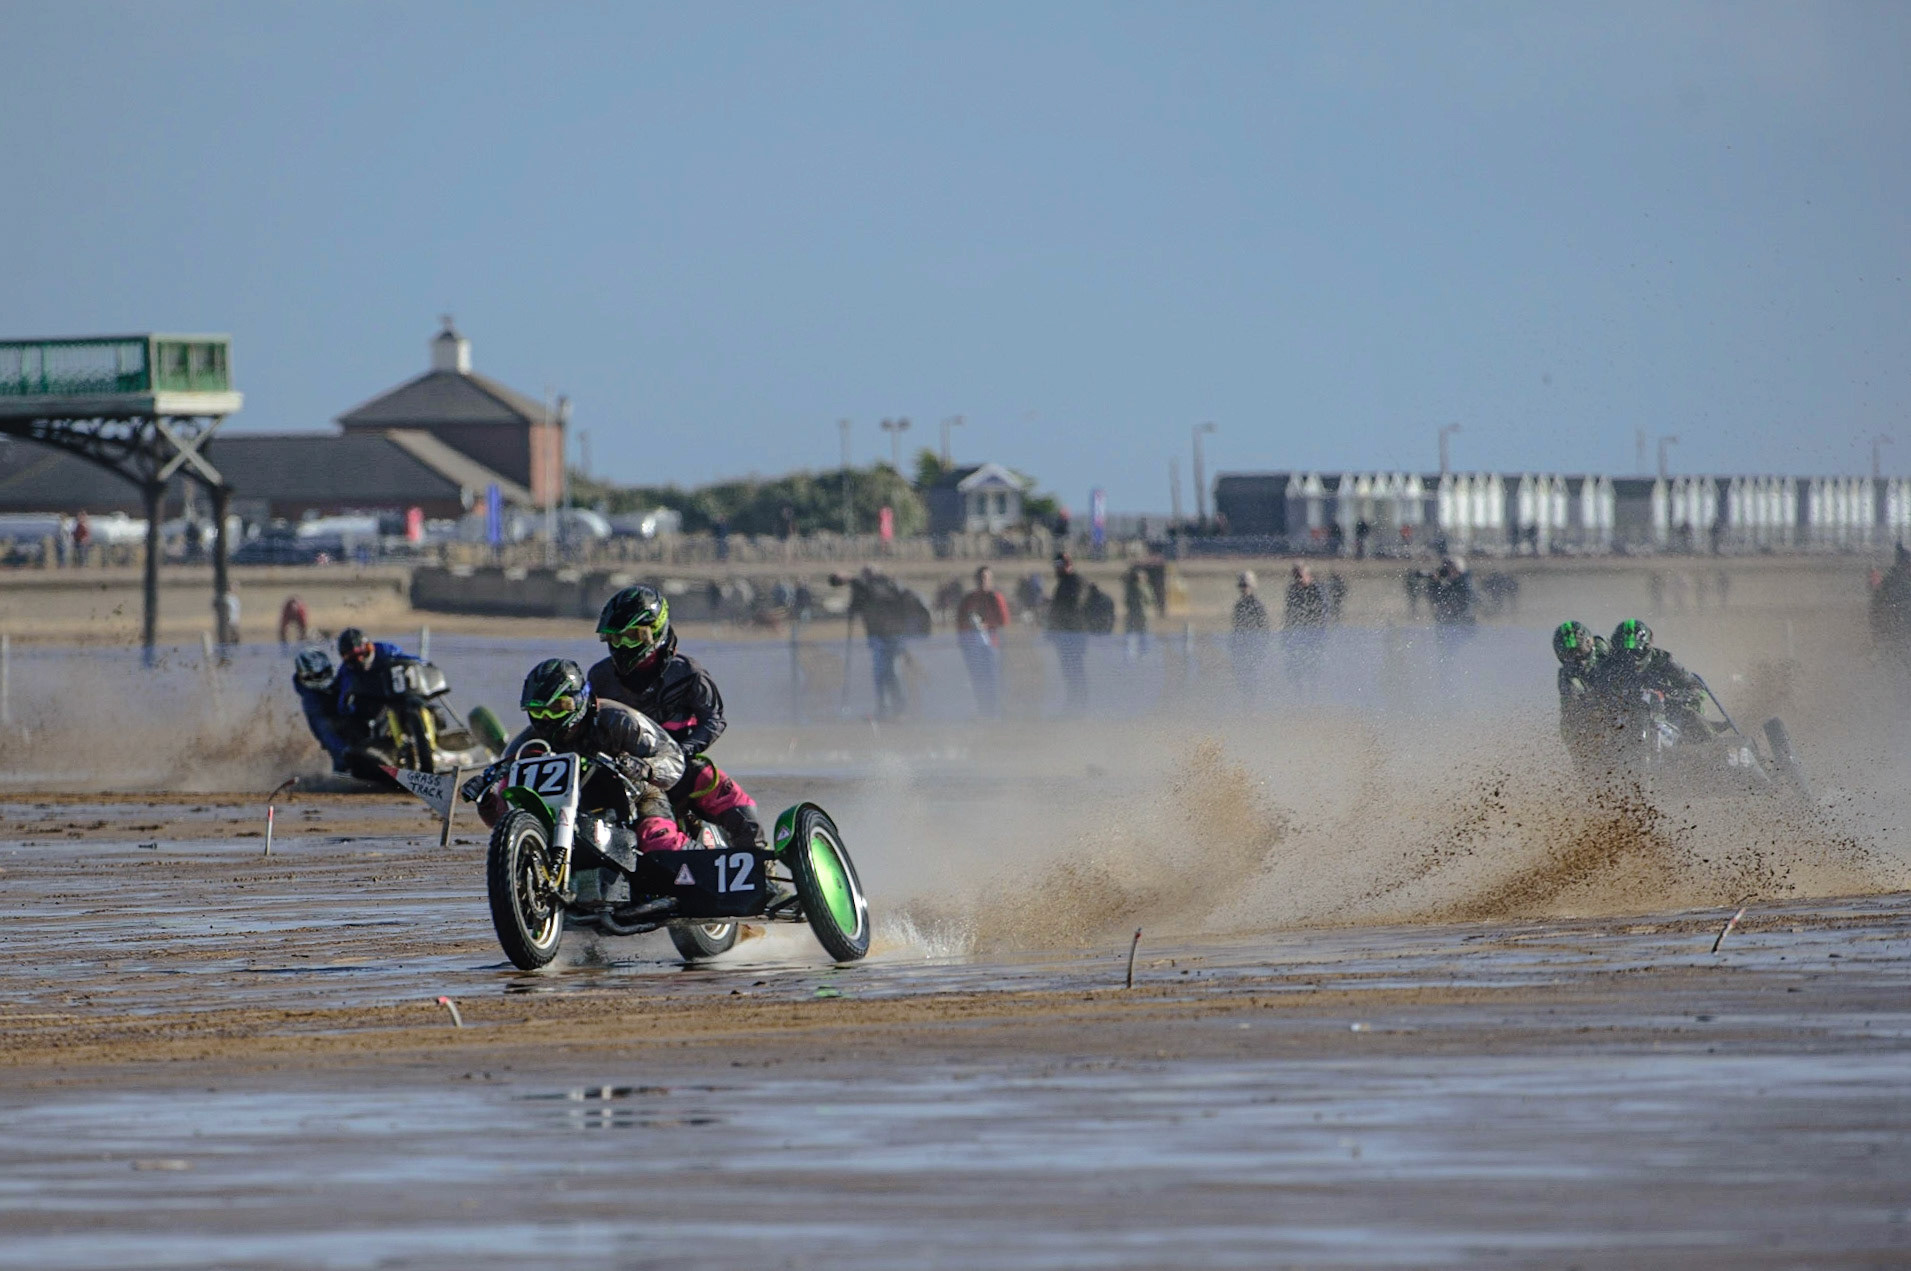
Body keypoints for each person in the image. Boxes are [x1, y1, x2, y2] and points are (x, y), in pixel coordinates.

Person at [588, 585, 766, 849]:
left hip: (682, 765)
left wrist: (681, 753)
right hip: (629, 772)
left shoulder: (688, 672)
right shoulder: (599, 677)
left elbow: (714, 720)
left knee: (731, 799)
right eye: (616, 639)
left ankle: (765, 872)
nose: (624, 646)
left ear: (657, 632)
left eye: (633, 636)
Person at [472, 659, 690, 854]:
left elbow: (673, 758)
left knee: (659, 842)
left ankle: (692, 858)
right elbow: (507, 816)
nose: (548, 718)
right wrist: (487, 801)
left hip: (637, 797)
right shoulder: (525, 747)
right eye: (539, 711)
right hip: (567, 814)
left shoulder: (619, 720)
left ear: (580, 699)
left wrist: (646, 768)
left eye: (558, 707)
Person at [1604, 618, 1708, 738]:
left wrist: (1684, 695)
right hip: (1622, 714)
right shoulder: (1608, 665)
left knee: (1693, 717)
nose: (1629, 658)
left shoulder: (1663, 660)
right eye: (1623, 653)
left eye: (1635, 652)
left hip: (1667, 713)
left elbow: (1694, 685)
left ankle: (1717, 749)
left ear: (1648, 646)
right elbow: (1597, 690)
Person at [333, 627, 421, 730]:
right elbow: (343, 700)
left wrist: (422, 663)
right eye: (353, 656)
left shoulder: (384, 649)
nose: (360, 658)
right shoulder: (346, 671)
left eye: (362, 652)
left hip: (399, 689)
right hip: (375, 705)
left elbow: (407, 659)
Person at [1552, 620, 1611, 767]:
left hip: (1624, 701)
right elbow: (1571, 703)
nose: (1577, 658)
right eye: (1569, 654)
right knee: (1571, 729)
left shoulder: (1608, 651)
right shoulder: (1567, 677)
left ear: (1590, 642)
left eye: (1580, 650)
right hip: (1591, 714)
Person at [955, 565, 1010, 716]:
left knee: (992, 679)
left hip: (991, 646)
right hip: (973, 646)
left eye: (986, 578)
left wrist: (985, 624)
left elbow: (1003, 620)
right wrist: (969, 627)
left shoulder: (995, 597)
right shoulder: (969, 599)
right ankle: (983, 710)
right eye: (980, 578)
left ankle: (995, 712)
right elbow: (960, 621)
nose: (983, 581)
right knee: (977, 679)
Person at [292, 649, 354, 773]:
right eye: (314, 676)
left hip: (356, 725)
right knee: (343, 761)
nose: (320, 679)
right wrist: (348, 752)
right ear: (304, 678)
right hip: (339, 740)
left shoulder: (341, 678)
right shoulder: (312, 702)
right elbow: (326, 735)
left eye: (323, 673)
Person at [1045, 552, 1089, 711]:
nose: (1057, 568)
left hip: (1074, 635)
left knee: (1075, 671)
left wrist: (1058, 610)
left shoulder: (1075, 581)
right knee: (1069, 672)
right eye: (1056, 565)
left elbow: (1075, 604)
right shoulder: (1064, 583)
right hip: (1063, 635)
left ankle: (1079, 705)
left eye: (1060, 565)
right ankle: (1073, 703)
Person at [1283, 563, 1329, 684]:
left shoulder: (1317, 590)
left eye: (1300, 576)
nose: (1298, 580)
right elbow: (1290, 613)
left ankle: (1314, 690)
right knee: (1296, 665)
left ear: (1308, 575)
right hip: (1298, 633)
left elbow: (1323, 613)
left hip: (1314, 633)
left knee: (1313, 665)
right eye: (1295, 577)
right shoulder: (1293, 590)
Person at [1230, 570, 1270, 701]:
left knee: (1254, 681)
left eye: (1245, 585)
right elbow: (1236, 627)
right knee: (1242, 682)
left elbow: (1264, 629)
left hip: (1254, 650)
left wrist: (1260, 649)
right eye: (1241, 585)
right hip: (1242, 650)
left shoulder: (1257, 606)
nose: (1243, 588)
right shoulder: (1239, 606)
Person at [1122, 565, 1154, 659]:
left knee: (1130, 634)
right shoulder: (1143, 587)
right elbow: (1149, 600)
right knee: (1143, 633)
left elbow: (1126, 601)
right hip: (1142, 614)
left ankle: (1130, 655)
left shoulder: (1129, 588)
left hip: (1131, 614)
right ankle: (1143, 654)